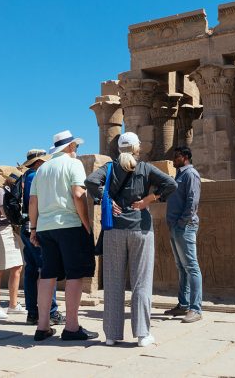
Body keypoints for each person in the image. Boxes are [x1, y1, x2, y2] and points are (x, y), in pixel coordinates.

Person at [86, 132, 176, 347]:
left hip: (114, 229)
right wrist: (149, 199)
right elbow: (171, 184)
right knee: (141, 283)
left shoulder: (109, 168)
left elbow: (90, 182)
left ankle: (111, 335)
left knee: (113, 282)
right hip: (140, 228)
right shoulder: (144, 168)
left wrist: (106, 199)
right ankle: (143, 334)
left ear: (118, 149)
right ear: (137, 148)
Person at [28, 130, 98, 342]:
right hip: (69, 225)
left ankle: (42, 327)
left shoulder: (42, 169)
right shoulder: (73, 163)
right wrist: (86, 224)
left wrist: (33, 228)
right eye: (75, 146)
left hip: (45, 228)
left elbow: (33, 202)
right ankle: (71, 327)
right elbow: (78, 194)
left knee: (47, 275)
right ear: (68, 147)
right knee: (74, 275)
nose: (76, 149)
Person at [19, 149, 65, 326]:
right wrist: (35, 228)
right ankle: (51, 312)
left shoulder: (23, 176)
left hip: (24, 226)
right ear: (39, 161)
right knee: (48, 268)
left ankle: (33, 313)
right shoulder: (35, 177)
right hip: (34, 227)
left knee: (31, 270)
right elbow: (34, 203)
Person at [164, 146, 203, 323]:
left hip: (184, 226)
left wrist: (182, 222)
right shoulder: (179, 174)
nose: (174, 159)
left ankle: (196, 309)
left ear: (186, 157)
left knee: (191, 267)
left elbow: (192, 201)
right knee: (182, 266)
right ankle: (183, 304)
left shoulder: (190, 174)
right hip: (176, 226)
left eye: (177, 156)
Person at [0, 172, 25, 319]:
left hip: (7, 231)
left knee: (17, 267)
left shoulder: (9, 195)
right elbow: (6, 212)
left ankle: (13, 305)